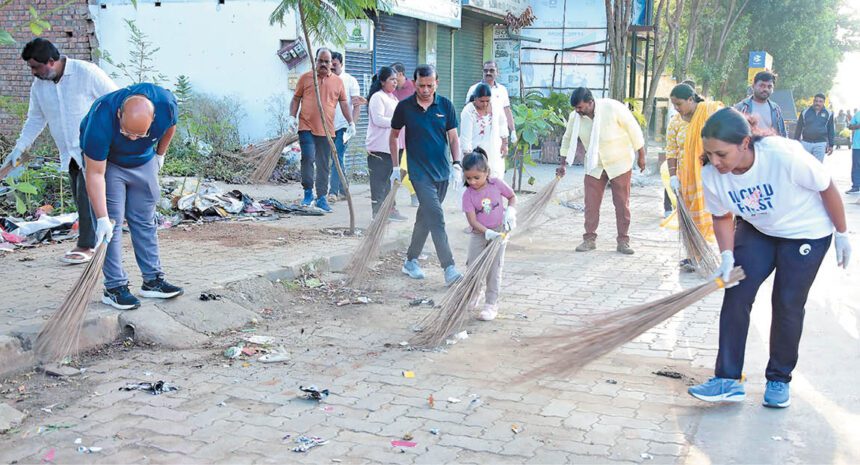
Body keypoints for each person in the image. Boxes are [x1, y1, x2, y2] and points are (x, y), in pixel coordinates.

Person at [687, 108, 851, 408]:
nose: (715, 161)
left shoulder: (782, 156)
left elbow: (826, 187)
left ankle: (778, 379)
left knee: (787, 302)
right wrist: (726, 255)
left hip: (805, 232)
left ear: (745, 143)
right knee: (736, 294)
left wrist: (842, 232)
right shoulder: (712, 174)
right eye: (709, 154)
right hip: (759, 229)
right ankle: (727, 379)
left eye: (721, 154)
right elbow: (722, 216)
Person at [1, 38, 117, 265]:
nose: (33, 72)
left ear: (52, 61)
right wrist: (19, 148)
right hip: (69, 151)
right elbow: (35, 119)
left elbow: (116, 100)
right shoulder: (40, 86)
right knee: (79, 194)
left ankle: (87, 245)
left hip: (94, 147)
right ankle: (95, 237)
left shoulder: (86, 72)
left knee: (87, 195)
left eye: (36, 67)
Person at [81, 83, 184, 310]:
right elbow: (95, 174)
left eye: (140, 134)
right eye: (127, 133)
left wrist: (159, 155)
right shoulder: (101, 118)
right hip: (109, 163)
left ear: (153, 118)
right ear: (119, 115)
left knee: (145, 220)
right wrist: (101, 218)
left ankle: (152, 281)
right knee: (112, 225)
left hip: (144, 161)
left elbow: (170, 127)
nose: (133, 139)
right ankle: (115, 288)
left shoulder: (166, 104)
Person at [390, 64, 463, 286]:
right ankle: (449, 267)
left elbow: (453, 138)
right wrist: (395, 167)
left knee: (425, 218)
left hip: (441, 172)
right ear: (414, 83)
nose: (425, 90)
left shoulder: (446, 106)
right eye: (421, 85)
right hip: (418, 173)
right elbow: (393, 137)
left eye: (430, 86)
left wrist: (457, 164)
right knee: (437, 218)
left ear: (436, 83)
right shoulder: (404, 107)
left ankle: (410, 260)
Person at [557, 87, 647, 255]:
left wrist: (641, 155)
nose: (578, 111)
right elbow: (568, 138)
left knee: (621, 204)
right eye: (576, 108)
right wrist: (563, 164)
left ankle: (623, 241)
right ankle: (589, 239)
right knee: (590, 205)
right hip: (594, 164)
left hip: (619, 162)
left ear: (591, 102)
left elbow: (633, 129)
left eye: (581, 107)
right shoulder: (575, 117)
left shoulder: (612, 107)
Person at [287, 47, 354, 212]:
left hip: (327, 129)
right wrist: (291, 117)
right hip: (306, 126)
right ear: (315, 61)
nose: (324, 64)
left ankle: (322, 197)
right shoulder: (306, 78)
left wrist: (351, 122)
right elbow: (296, 99)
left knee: (324, 164)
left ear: (331, 63)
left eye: (327, 61)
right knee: (308, 158)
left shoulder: (337, 81)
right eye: (321, 61)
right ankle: (308, 193)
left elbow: (344, 103)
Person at [666, 83, 723, 270]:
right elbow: (671, 151)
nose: (676, 108)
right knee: (690, 217)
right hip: (687, 178)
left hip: (712, 176)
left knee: (715, 215)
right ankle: (694, 255)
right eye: (673, 104)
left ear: (691, 99)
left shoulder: (710, 112)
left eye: (679, 104)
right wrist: (673, 176)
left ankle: (717, 254)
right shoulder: (675, 122)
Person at [461, 147, 517, 321]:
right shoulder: (467, 195)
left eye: (476, 178)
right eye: (468, 178)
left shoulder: (496, 184)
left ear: (487, 173)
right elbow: (472, 221)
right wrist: (486, 233)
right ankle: (474, 293)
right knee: (473, 265)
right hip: (479, 233)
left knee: (494, 269)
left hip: (499, 233)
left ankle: (491, 303)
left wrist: (511, 212)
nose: (472, 182)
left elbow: (512, 196)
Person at [364, 66, 407, 221]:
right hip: (379, 147)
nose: (395, 83)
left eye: (396, 80)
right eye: (391, 80)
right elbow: (378, 119)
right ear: (382, 81)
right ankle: (377, 213)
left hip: (394, 146)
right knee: (379, 181)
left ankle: (390, 209)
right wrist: (398, 122)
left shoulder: (393, 98)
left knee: (390, 179)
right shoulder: (377, 97)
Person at [328, 51, 364, 201]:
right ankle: (344, 189)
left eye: (334, 65)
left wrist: (352, 125)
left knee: (338, 155)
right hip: (328, 125)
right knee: (335, 157)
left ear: (341, 64)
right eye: (330, 65)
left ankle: (333, 192)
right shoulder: (325, 79)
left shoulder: (350, 80)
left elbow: (356, 105)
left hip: (344, 126)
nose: (332, 68)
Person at [460, 83, 508, 179]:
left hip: (493, 151)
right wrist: (469, 161)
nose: (485, 104)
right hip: (475, 154)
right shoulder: (468, 111)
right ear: (475, 98)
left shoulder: (495, 106)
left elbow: (502, 123)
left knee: (495, 179)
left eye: (487, 101)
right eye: (482, 101)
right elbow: (466, 138)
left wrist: (505, 143)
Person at [464, 60, 516, 144]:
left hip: (497, 135)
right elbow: (468, 112)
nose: (488, 73)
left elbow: (506, 111)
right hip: (478, 136)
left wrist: (513, 131)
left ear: (497, 72)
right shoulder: (473, 89)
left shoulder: (502, 90)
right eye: (485, 70)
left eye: (491, 70)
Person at [391, 62, 419, 207]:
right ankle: (391, 199)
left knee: (409, 166)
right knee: (396, 166)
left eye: (395, 76)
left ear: (401, 74)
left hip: (412, 135)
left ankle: (414, 193)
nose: (393, 80)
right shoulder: (392, 89)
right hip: (396, 135)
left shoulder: (413, 88)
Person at [734, 71, 786, 137]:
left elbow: (782, 133)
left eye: (769, 87)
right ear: (753, 86)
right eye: (762, 85)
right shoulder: (741, 107)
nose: (765, 89)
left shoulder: (775, 109)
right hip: (748, 146)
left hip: (769, 146)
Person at [794, 93, 834, 162]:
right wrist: (795, 142)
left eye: (820, 101)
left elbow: (831, 130)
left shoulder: (829, 113)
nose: (817, 103)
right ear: (813, 101)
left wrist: (831, 145)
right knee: (805, 166)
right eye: (816, 101)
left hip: (820, 143)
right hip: (806, 143)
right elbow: (799, 128)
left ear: (824, 102)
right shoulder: (805, 112)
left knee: (817, 167)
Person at [847, 110, 860, 194]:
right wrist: (857, 126)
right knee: (856, 166)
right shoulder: (858, 114)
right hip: (857, 145)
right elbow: (850, 126)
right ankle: (855, 186)